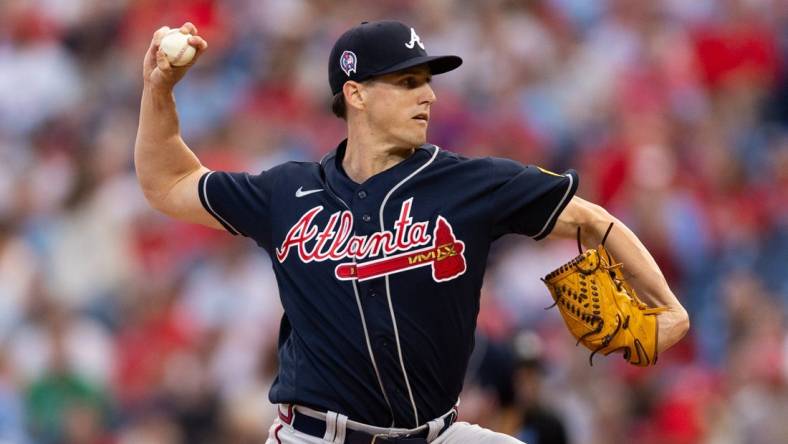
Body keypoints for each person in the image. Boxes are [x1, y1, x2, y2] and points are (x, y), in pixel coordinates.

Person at [134, 20, 690, 444]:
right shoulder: (286, 193)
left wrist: (669, 309)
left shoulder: (468, 183)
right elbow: (169, 181)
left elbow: (590, 218)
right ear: (355, 94)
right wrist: (159, 89)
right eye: (407, 81)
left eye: (426, 81)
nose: (429, 95)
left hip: (437, 433)